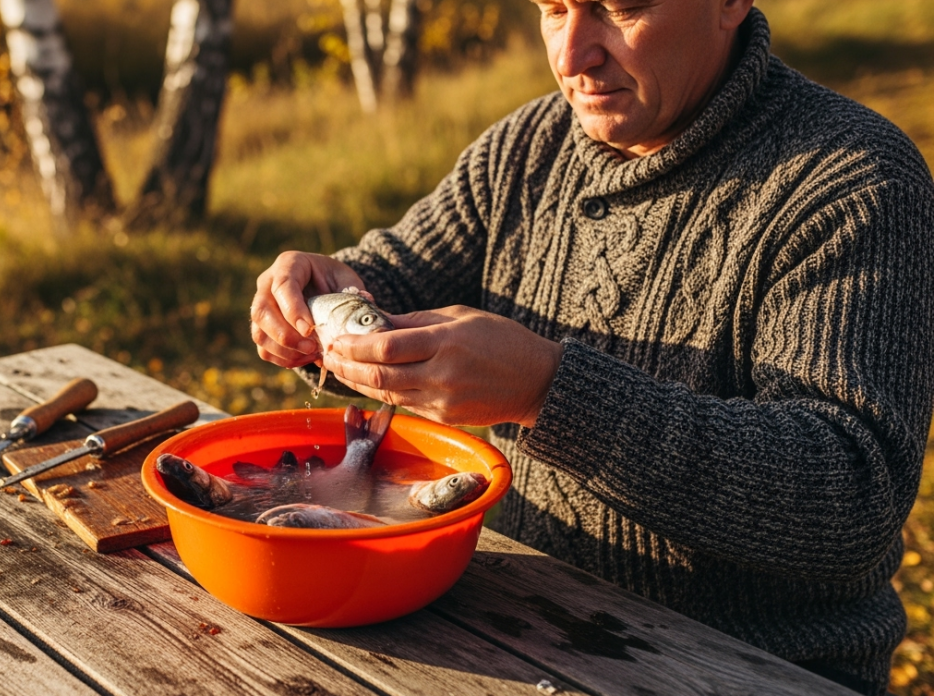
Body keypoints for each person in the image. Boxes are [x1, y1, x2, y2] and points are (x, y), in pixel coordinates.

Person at [249, 0, 934, 693]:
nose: (573, 55)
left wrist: (548, 392)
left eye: (620, 9)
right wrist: (318, 300)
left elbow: (853, 494)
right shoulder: (528, 148)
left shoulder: (854, 180)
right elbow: (392, 278)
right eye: (553, 10)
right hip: (508, 628)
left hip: (751, 666)